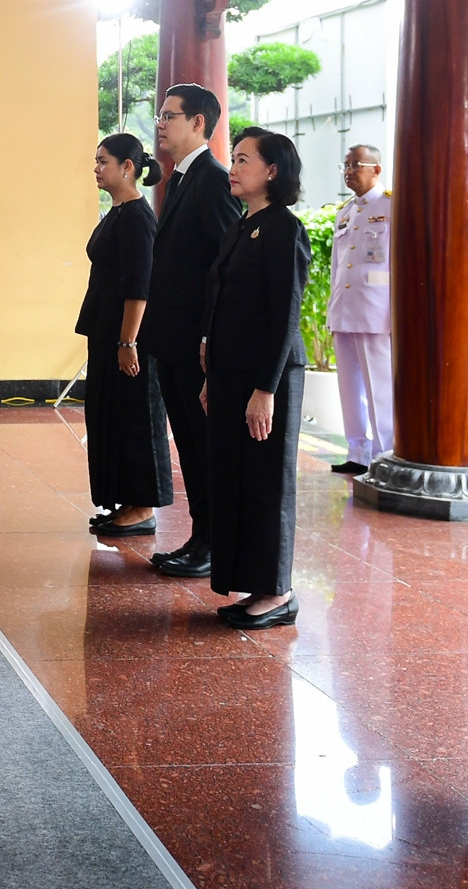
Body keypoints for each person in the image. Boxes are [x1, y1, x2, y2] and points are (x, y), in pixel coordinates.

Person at [200, 128, 309, 628]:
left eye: (244, 160)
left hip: (267, 378)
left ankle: (276, 590)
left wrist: (265, 389)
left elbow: (285, 313)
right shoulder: (244, 225)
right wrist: (213, 374)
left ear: (273, 171)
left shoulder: (284, 227)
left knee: (266, 480)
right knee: (236, 477)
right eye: (233, 159)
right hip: (230, 375)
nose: (233, 168)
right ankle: (250, 581)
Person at [139, 83, 241, 580]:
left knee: (202, 449)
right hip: (171, 339)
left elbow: (226, 264)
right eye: (160, 114)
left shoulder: (212, 179)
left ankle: (211, 543)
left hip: (194, 345)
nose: (161, 122)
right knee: (190, 445)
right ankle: (202, 537)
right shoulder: (180, 178)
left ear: (198, 122)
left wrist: (209, 339)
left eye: (170, 115)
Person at [77, 134, 173, 535]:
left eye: (103, 161)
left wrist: (128, 341)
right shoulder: (117, 212)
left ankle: (144, 506)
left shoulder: (137, 216)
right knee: (109, 416)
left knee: (136, 417)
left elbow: (140, 286)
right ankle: (126, 501)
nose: (97, 168)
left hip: (127, 337)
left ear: (127, 167)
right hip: (105, 331)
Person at [327, 144, 393, 477]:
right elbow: (338, 267)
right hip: (345, 310)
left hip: (375, 312)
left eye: (357, 165)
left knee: (379, 387)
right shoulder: (346, 212)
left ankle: (384, 454)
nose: (349, 171)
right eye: (346, 165)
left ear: (376, 170)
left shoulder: (391, 207)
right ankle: (357, 451)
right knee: (349, 387)